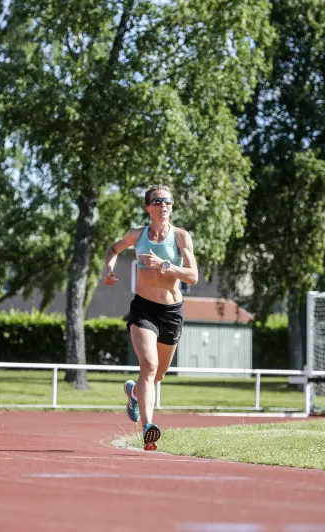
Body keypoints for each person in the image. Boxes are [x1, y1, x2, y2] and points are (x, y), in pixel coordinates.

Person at [101, 184, 198, 450]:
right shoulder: (137, 235)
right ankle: (148, 426)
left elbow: (193, 276)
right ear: (148, 207)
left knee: (158, 375)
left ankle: (133, 393)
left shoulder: (181, 237)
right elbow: (113, 248)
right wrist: (108, 268)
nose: (163, 205)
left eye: (167, 201)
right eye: (157, 201)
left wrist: (165, 265)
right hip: (143, 308)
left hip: (171, 312)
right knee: (149, 366)